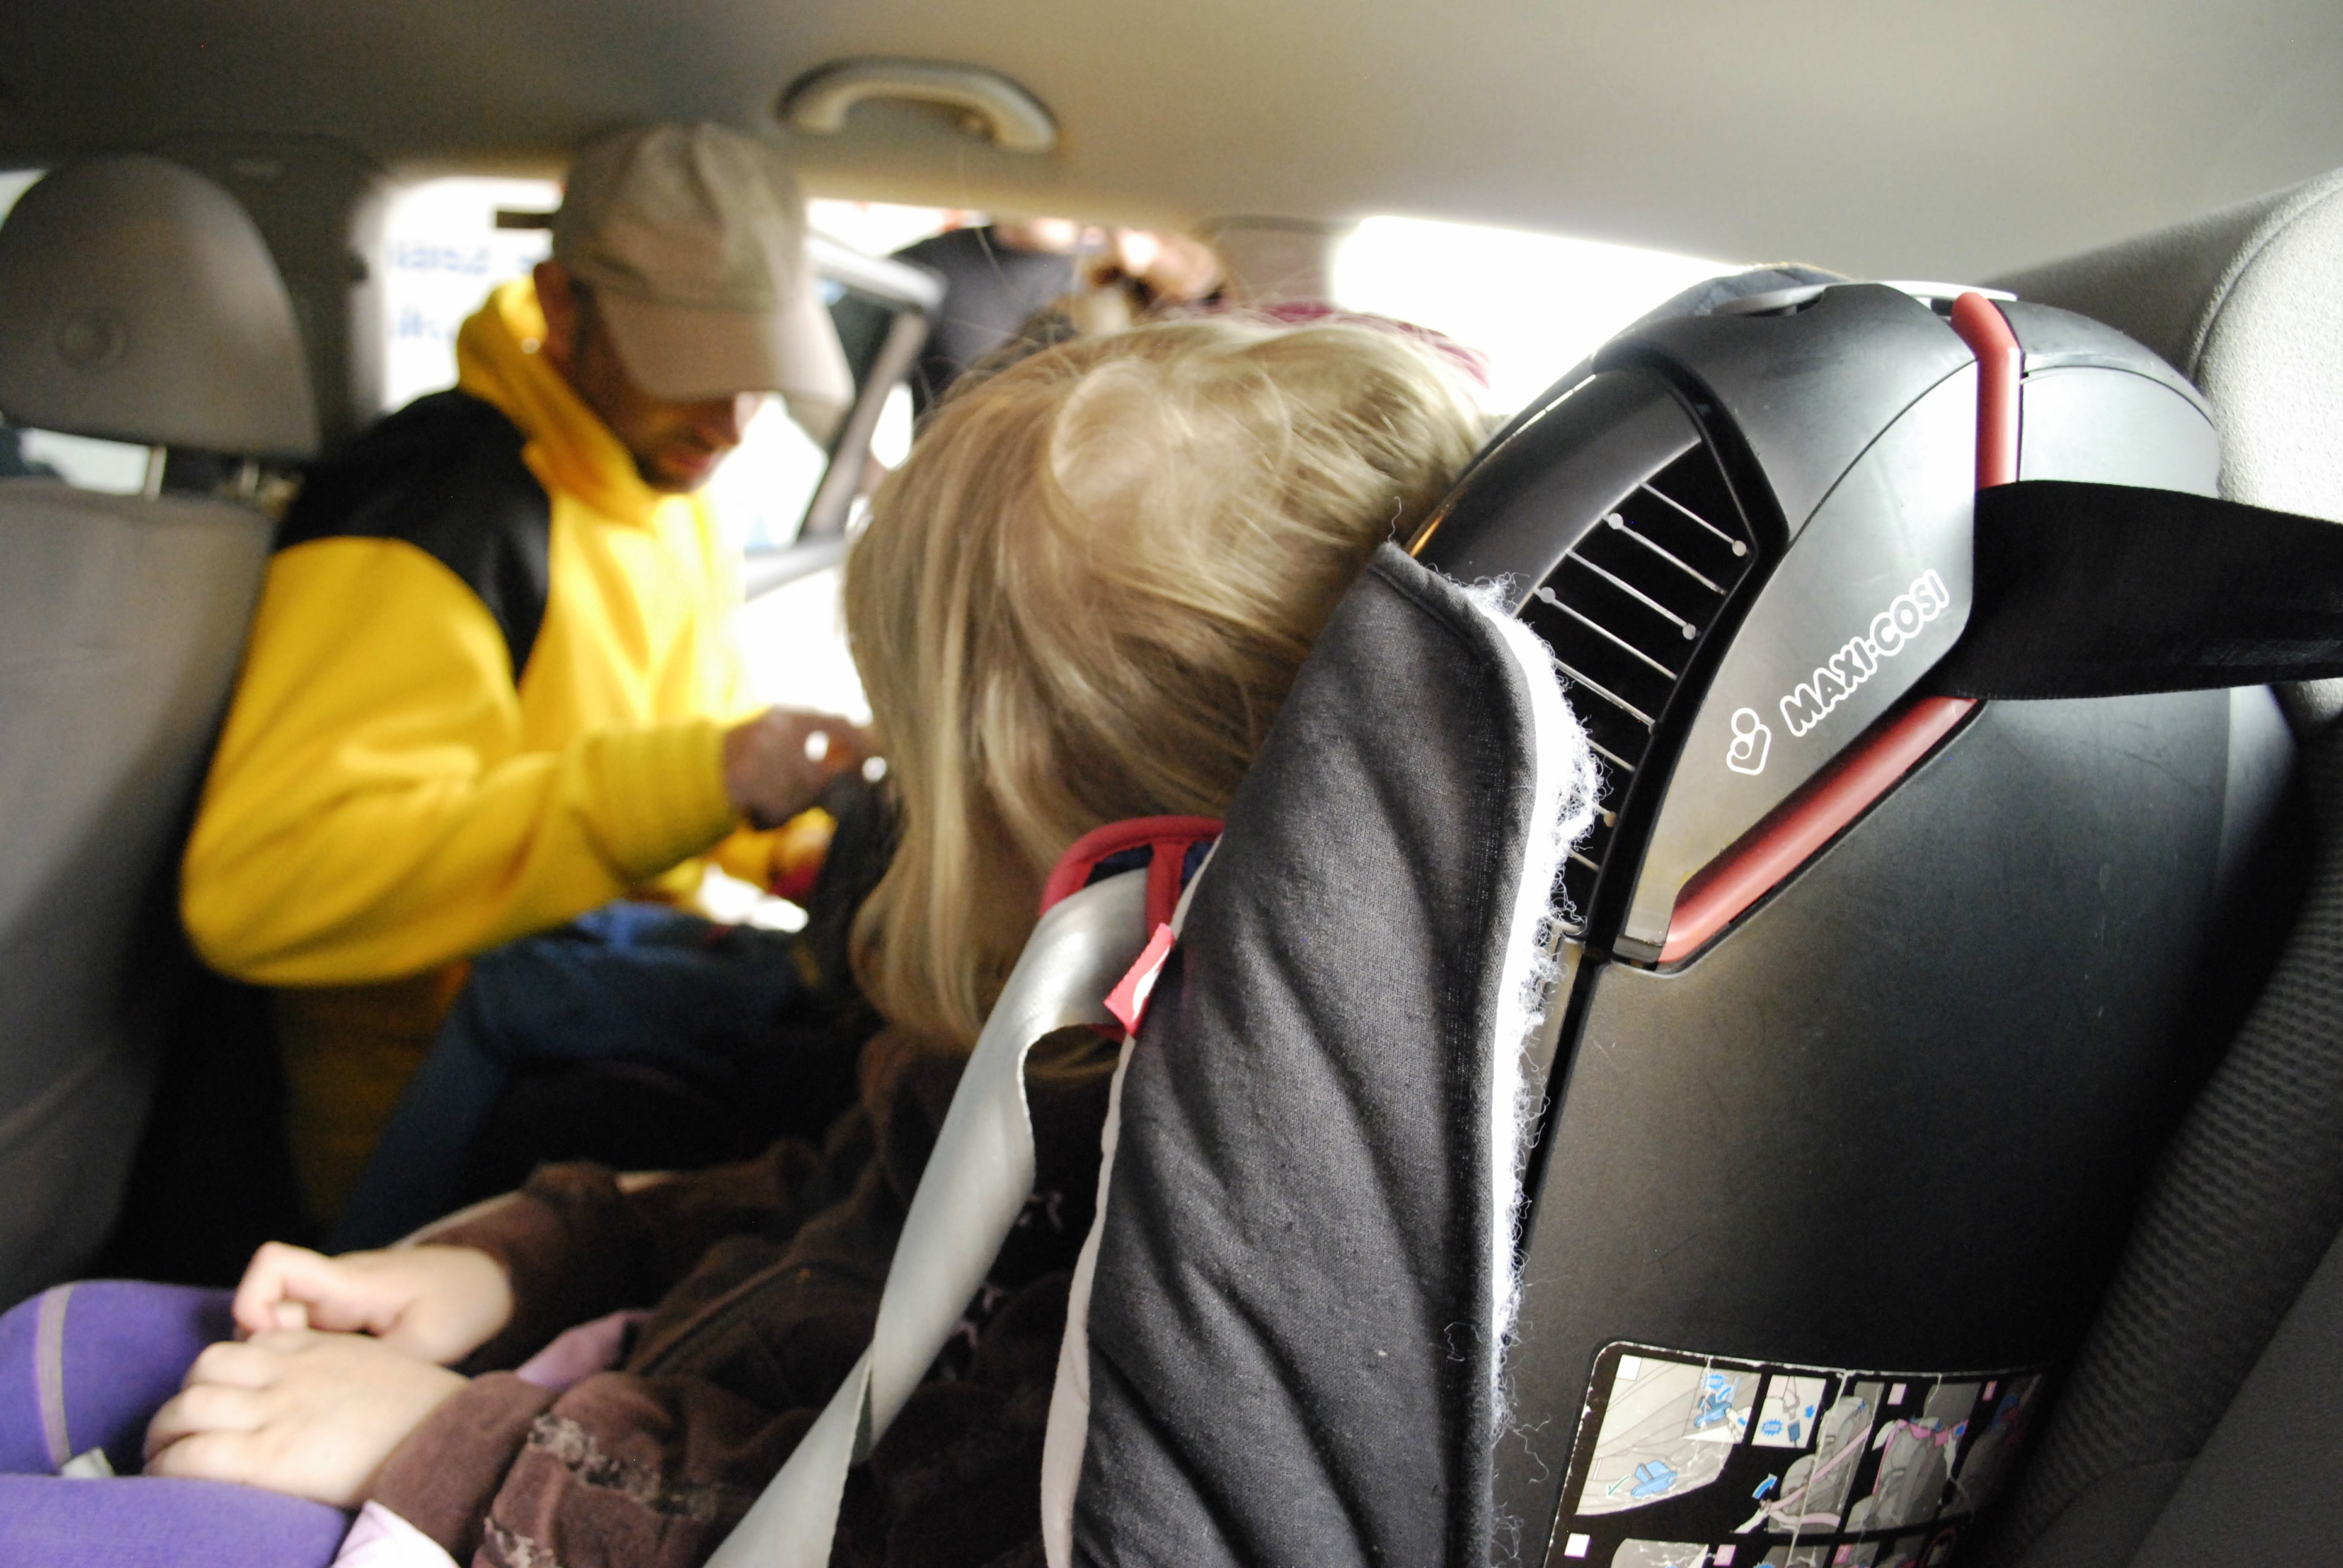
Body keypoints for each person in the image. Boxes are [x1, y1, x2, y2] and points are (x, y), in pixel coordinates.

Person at [0, 315, 1484, 1566]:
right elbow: (838, 1202)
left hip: (592, 1496)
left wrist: (458, 1441)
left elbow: (898, 1529)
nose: (727, 415)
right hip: (634, 1396)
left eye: (919, 779)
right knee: (54, 1341)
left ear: (1074, 837)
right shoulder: (1024, 1054)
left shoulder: (1206, 1252)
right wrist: (531, 1258)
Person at [179, 123, 873, 1228]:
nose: (732, 423)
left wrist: (798, 839)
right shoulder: (436, 516)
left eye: (758, 372)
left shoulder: (671, 498)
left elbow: (684, 747)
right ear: (560, 306)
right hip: (432, 1115)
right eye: (686, 367)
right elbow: (265, 886)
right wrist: (696, 781)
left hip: (595, 1018)